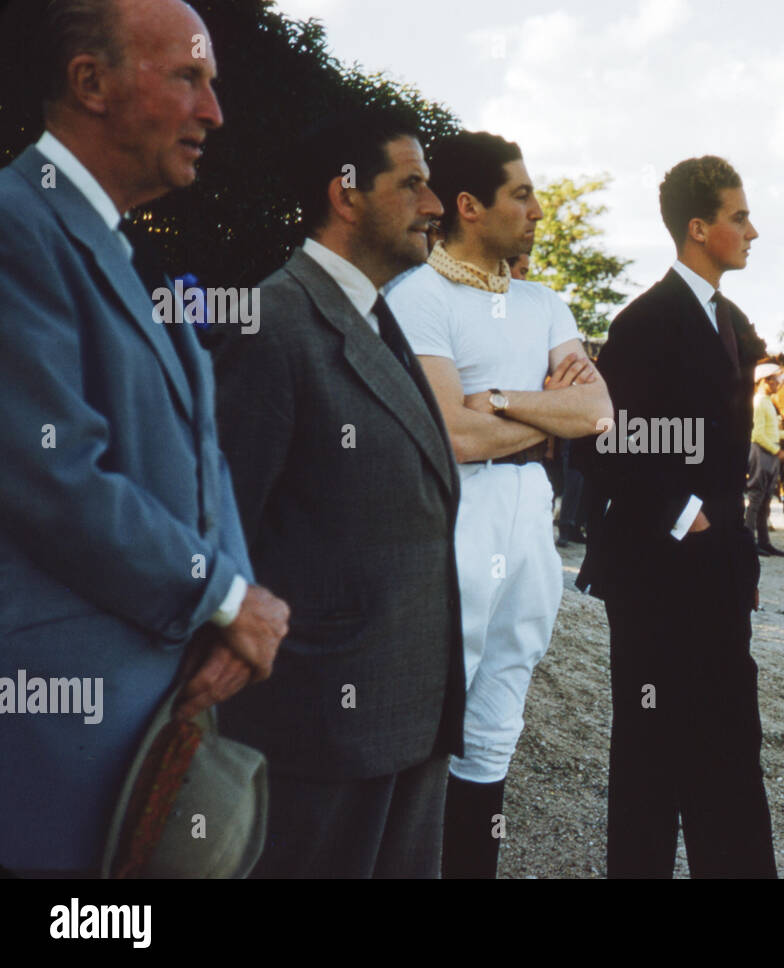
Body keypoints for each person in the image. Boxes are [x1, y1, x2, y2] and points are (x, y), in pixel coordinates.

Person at [0, 0, 288, 873]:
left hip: (148, 728)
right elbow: (52, 476)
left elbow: (205, 457)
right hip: (54, 756)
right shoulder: (16, 225)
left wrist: (229, 608)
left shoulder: (119, 245)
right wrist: (226, 602)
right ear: (91, 82)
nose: (215, 113)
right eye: (188, 79)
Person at [213, 110, 463, 876]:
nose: (436, 205)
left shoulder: (378, 317)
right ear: (346, 195)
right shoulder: (275, 323)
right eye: (413, 183)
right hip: (321, 734)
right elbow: (224, 532)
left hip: (409, 723)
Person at [387, 131, 612, 878]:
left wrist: (500, 401)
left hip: (528, 528)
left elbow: (596, 413)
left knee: (495, 730)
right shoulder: (416, 296)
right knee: (426, 724)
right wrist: (540, 417)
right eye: (521, 194)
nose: (539, 209)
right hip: (451, 525)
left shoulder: (545, 301)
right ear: (469, 207)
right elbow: (448, 432)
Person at [577, 155, 777, 878]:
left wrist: (737, 554)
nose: (753, 231)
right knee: (651, 756)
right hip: (655, 575)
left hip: (718, 568)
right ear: (699, 229)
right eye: (739, 217)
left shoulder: (732, 320)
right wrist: (681, 511)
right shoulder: (645, 321)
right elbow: (606, 436)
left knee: (730, 742)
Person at [747, 362, 784, 556]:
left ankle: (764, 541)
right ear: (764, 381)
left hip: (770, 453)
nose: (778, 385)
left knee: (766, 498)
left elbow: (768, 431)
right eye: (775, 381)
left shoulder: (767, 401)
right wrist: (776, 450)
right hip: (762, 452)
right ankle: (749, 541)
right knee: (756, 497)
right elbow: (757, 434)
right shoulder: (758, 402)